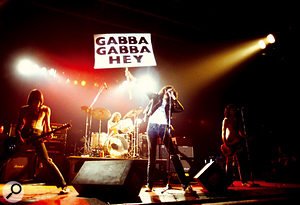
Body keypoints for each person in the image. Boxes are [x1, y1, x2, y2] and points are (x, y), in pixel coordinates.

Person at [143, 85, 195, 194]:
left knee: (174, 155)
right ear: (164, 90)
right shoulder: (155, 97)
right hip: (152, 127)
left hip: (163, 128)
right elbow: (144, 89)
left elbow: (181, 109)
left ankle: (185, 185)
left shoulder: (171, 105)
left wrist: (174, 99)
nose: (169, 92)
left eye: (171, 91)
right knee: (152, 156)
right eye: (168, 90)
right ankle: (149, 185)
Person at [15, 89, 69, 194]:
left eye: (38, 102)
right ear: (29, 101)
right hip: (26, 135)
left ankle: (63, 185)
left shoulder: (45, 110)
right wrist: (20, 138)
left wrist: (49, 134)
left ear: (41, 101)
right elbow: (18, 127)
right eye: (33, 102)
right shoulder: (24, 110)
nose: (35, 104)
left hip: (37, 136)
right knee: (9, 155)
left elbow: (47, 128)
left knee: (46, 160)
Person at [221, 104, 250, 186]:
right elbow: (223, 133)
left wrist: (245, 136)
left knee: (241, 161)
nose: (234, 110)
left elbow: (239, 131)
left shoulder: (236, 119)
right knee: (229, 162)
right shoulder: (226, 120)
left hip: (237, 142)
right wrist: (225, 144)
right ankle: (228, 181)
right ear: (228, 110)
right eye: (232, 109)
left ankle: (244, 181)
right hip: (229, 142)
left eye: (234, 109)